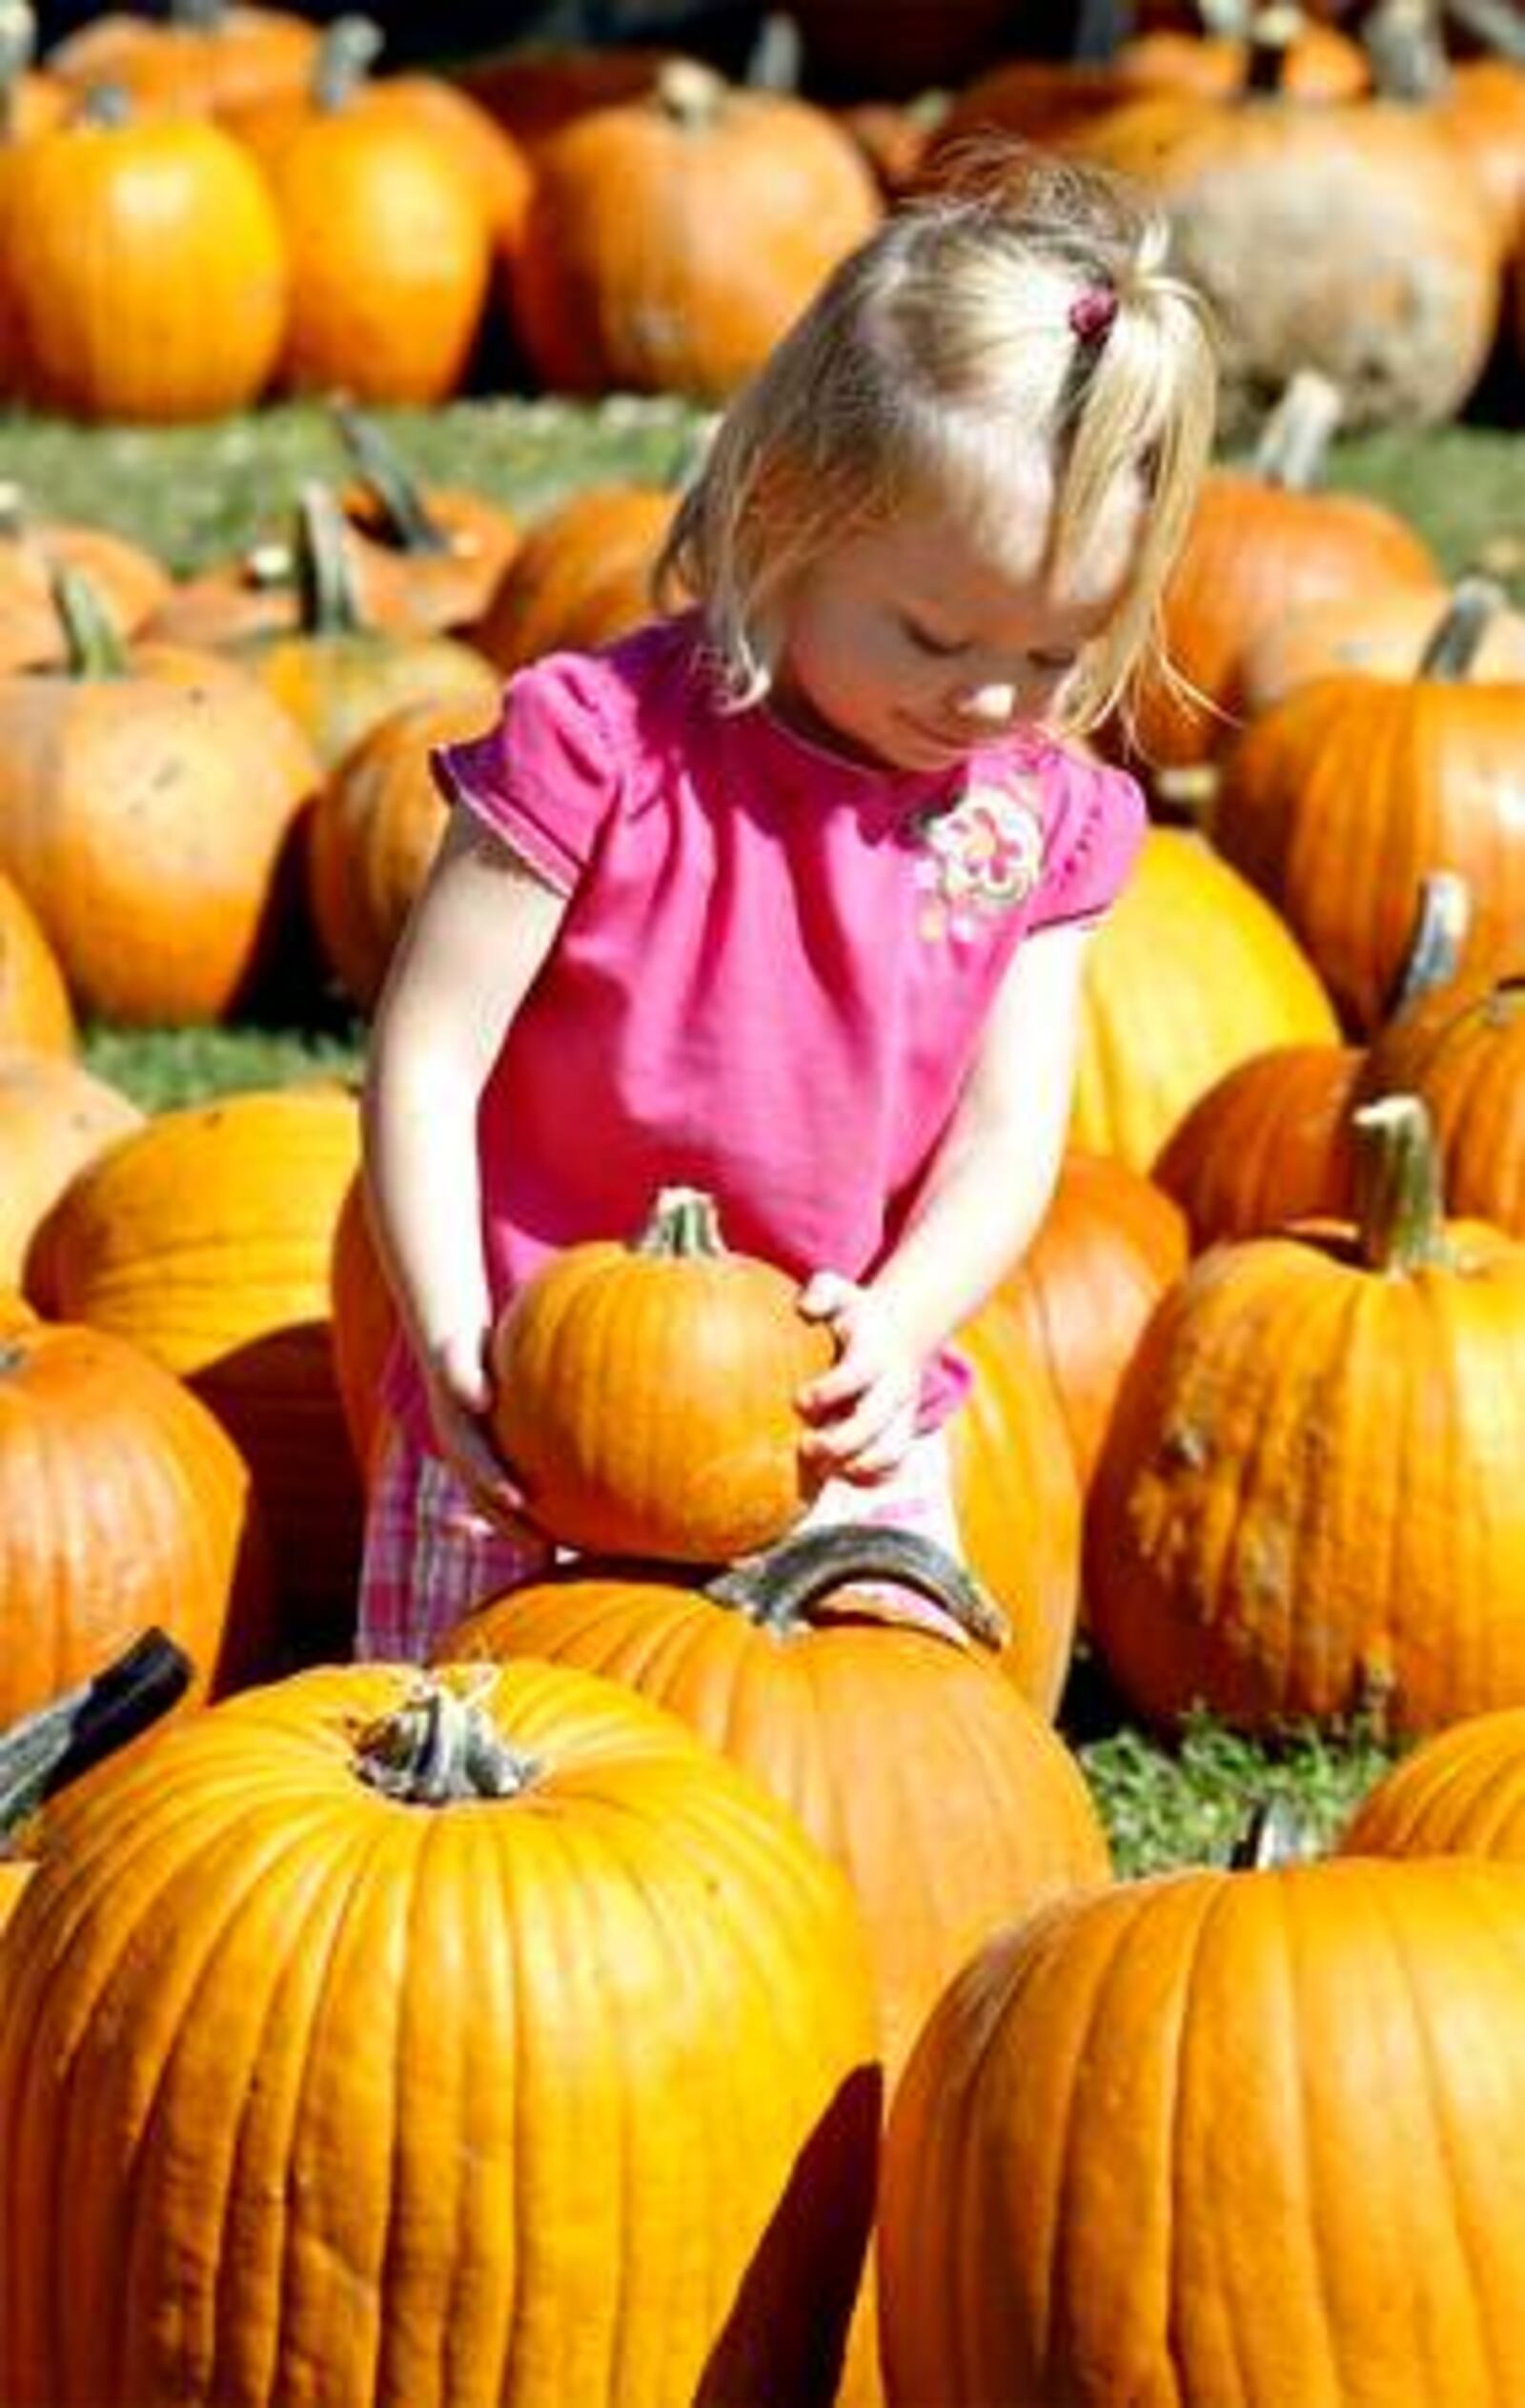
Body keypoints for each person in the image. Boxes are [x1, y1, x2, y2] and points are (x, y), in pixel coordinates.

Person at [356, 142, 1218, 1662]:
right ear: (783, 516)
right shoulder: (599, 747)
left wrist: (905, 1319)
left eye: (1059, 649)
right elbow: (428, 1057)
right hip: (534, 1388)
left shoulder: (1045, 814)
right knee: (474, 1794)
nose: (998, 695)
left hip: (828, 1411)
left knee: (844, 1793)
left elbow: (1010, 1135)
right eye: (939, 634)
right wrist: (445, 1340)